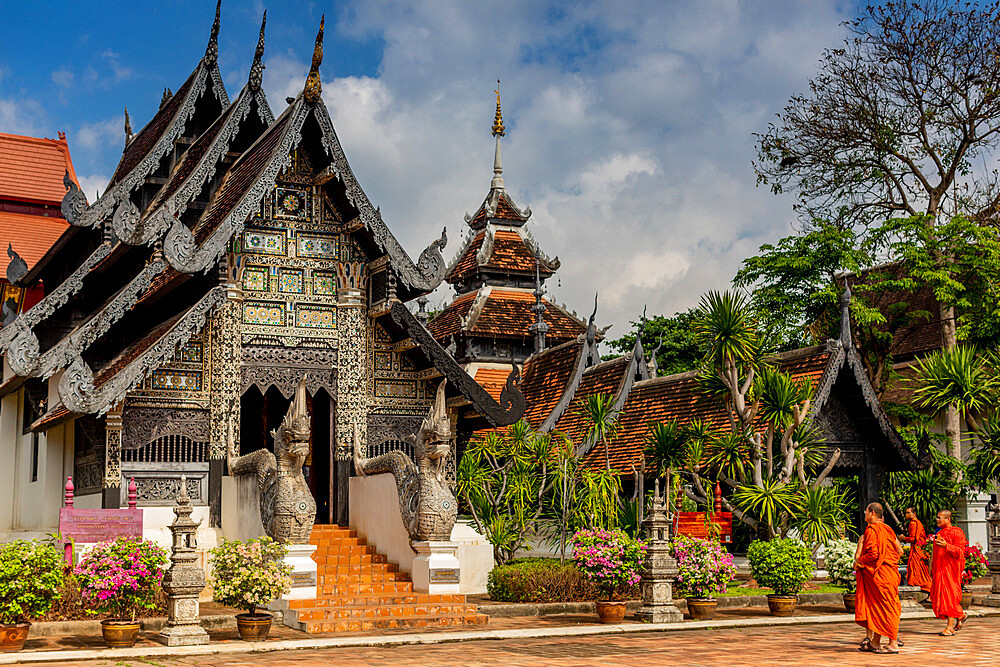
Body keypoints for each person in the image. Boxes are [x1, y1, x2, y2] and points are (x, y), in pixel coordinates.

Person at [854, 502, 902, 654]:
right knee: (878, 608)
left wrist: (859, 561)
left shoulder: (872, 530)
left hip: (881, 575)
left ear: (872, 513)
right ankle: (875, 642)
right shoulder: (889, 530)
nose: (865, 515)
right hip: (888, 573)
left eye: (866, 512)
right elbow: (899, 551)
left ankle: (893, 644)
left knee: (887, 608)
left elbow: (874, 554)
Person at [930, 510, 968, 636]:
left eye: (940, 518)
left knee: (949, 596)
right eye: (937, 517)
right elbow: (935, 553)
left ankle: (950, 627)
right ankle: (960, 615)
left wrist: (947, 546)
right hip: (940, 569)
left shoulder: (957, 532)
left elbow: (960, 551)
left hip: (950, 569)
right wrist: (931, 565)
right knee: (941, 596)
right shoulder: (939, 533)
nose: (937, 520)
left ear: (948, 519)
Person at [899, 507, 931, 594]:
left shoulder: (914, 523)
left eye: (908, 513)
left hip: (917, 550)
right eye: (906, 513)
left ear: (914, 514)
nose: (906, 515)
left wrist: (903, 538)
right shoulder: (917, 523)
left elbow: (914, 538)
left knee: (917, 571)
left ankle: (926, 589)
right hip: (919, 549)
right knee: (919, 571)